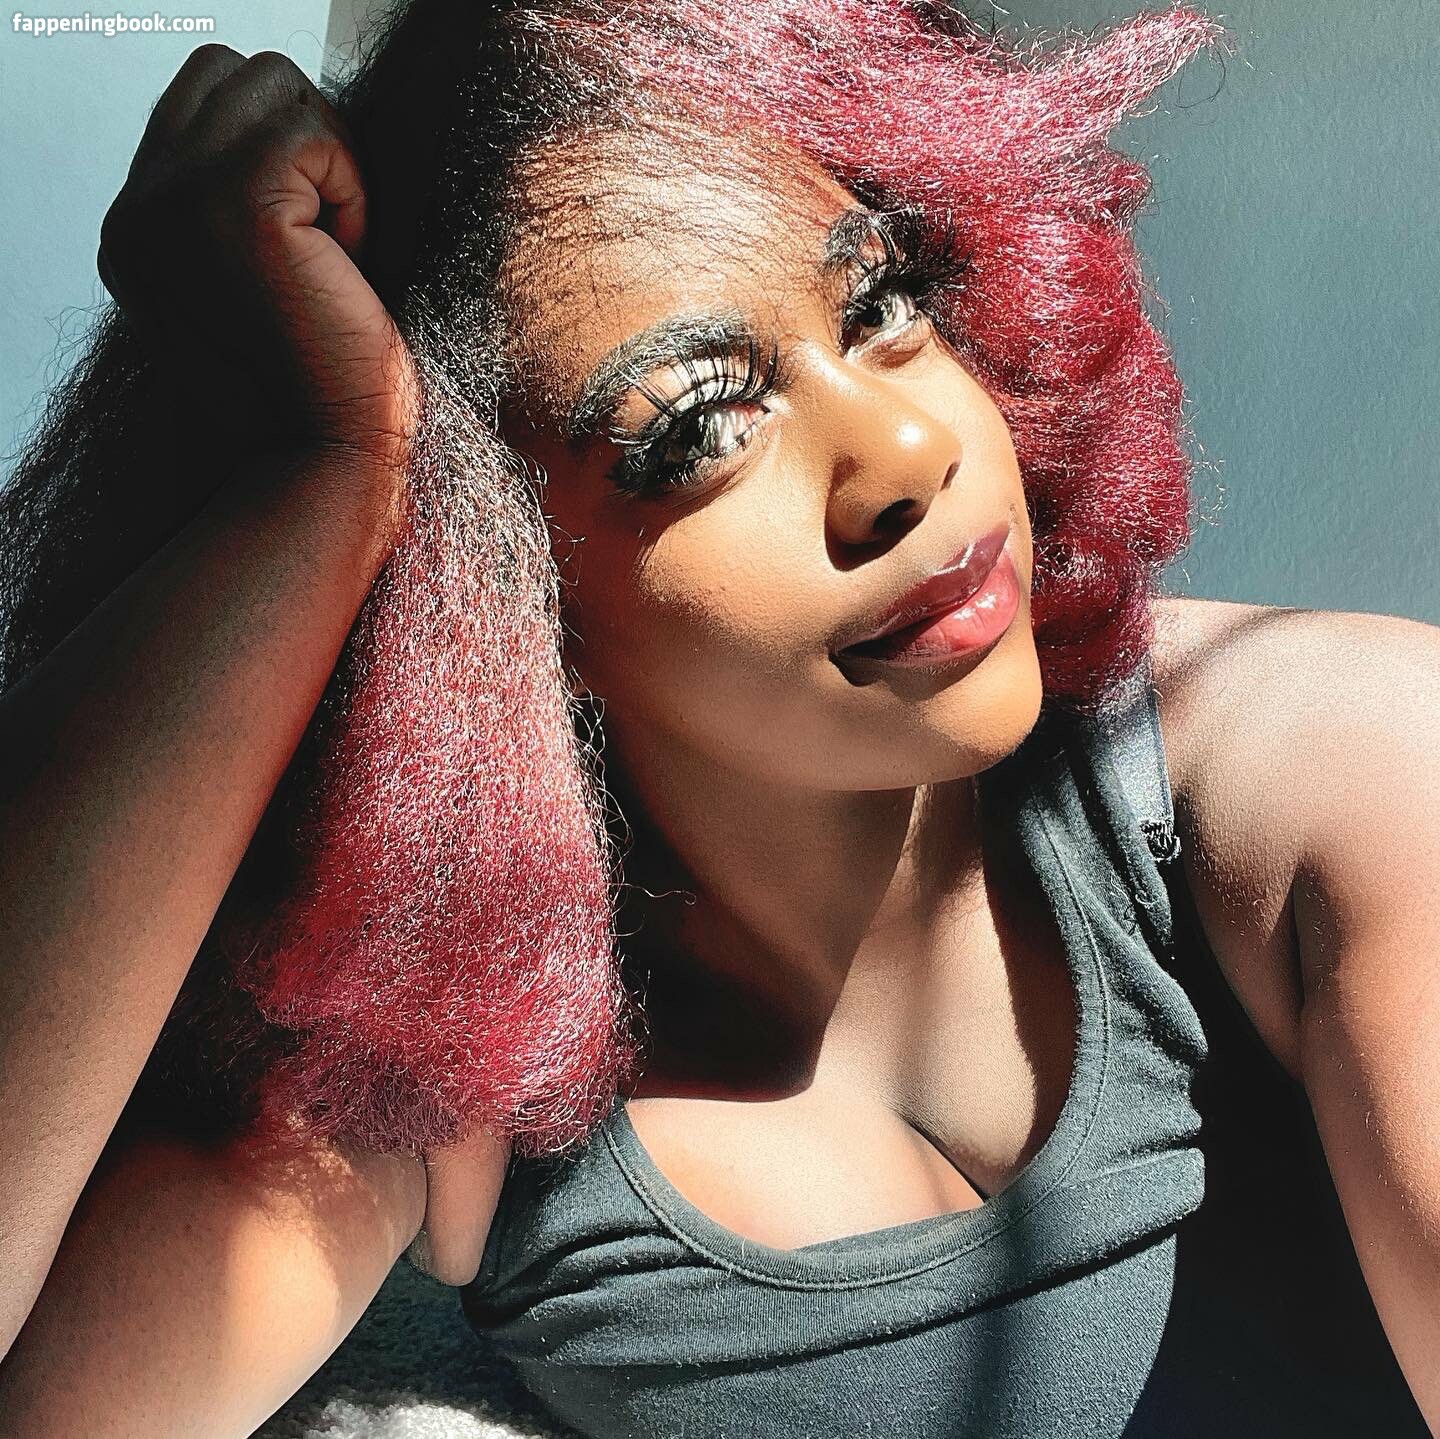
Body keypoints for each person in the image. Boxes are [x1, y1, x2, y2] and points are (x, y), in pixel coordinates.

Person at [0, 0, 1436, 1434]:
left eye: (881, 307)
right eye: (699, 427)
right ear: (485, 591)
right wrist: (330, 468)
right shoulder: (459, 1075)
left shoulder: (1325, 752)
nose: (910, 451)